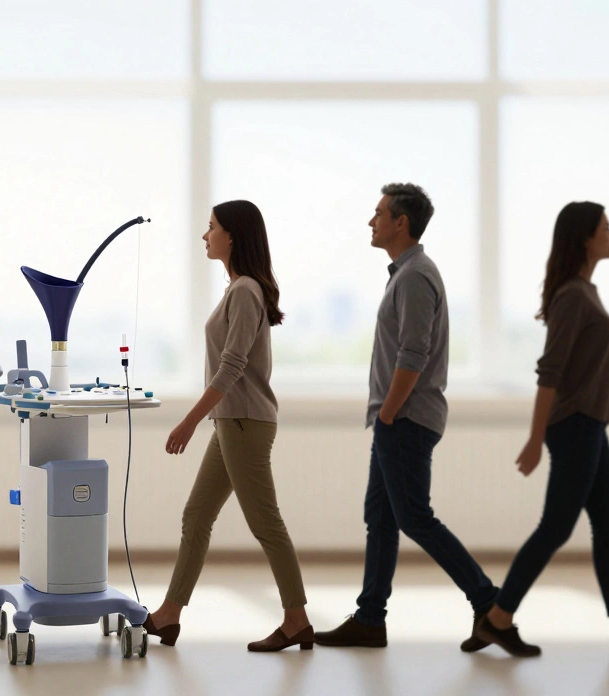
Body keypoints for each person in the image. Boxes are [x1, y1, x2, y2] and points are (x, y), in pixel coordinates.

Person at [472, 202, 609, 657]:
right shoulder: (572, 296)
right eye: (607, 228)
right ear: (586, 238)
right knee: (556, 527)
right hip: (574, 427)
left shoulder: (586, 293)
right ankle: (498, 619)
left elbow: (606, 370)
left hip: (591, 426)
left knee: (608, 523)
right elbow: (550, 370)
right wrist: (534, 437)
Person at [316, 183, 499, 652]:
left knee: (414, 517)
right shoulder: (406, 273)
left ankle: (490, 603)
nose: (371, 221)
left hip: (406, 419)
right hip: (398, 419)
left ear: (401, 222)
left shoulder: (415, 276)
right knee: (380, 517)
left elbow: (413, 354)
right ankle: (369, 619)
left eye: (379, 213)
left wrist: (389, 413)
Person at [145, 200, 314, 652]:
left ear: (233, 235)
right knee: (197, 515)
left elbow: (232, 366)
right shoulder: (239, 289)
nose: (205, 235)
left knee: (265, 523)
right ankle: (169, 615)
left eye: (212, 227)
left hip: (244, 423)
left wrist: (188, 421)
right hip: (231, 423)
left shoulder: (245, 291)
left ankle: (297, 620)